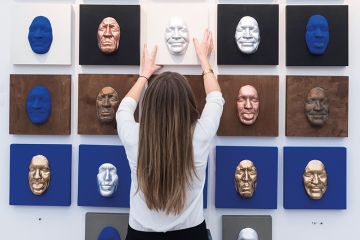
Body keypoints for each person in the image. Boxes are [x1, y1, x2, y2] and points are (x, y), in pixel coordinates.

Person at [116, 30, 224, 240]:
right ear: (187, 105)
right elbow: (216, 98)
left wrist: (144, 75)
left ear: (150, 106)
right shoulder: (199, 136)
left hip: (141, 235)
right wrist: (204, 61)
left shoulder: (133, 137)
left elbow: (124, 109)